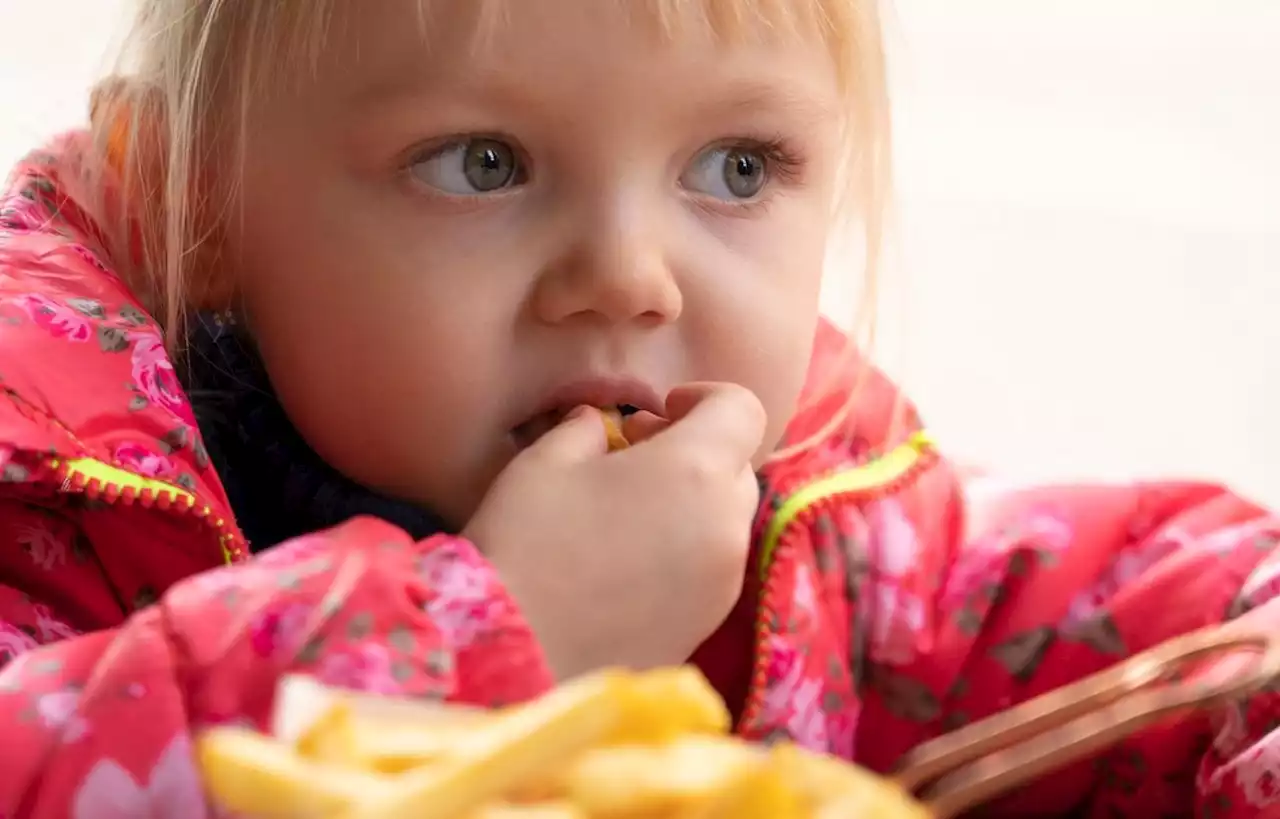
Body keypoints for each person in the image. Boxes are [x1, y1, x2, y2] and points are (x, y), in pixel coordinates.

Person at [0, 0, 1275, 815]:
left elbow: (1189, 619)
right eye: (480, 162)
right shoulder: (43, 514)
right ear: (196, 204)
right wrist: (488, 636)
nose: (629, 276)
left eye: (735, 168)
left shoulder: (827, 539)